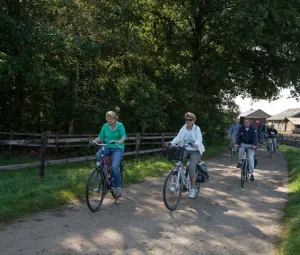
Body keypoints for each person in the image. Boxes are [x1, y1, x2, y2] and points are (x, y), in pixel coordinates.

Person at [92, 111, 127, 198]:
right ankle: (102, 175)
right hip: (107, 146)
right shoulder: (105, 126)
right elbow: (101, 137)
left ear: (115, 119)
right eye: (107, 119)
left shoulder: (120, 125)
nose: (109, 120)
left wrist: (120, 141)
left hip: (118, 148)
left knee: (114, 166)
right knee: (98, 155)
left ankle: (118, 186)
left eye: (111, 119)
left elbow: (124, 136)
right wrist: (94, 141)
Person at [171, 112, 205, 198]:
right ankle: (177, 184)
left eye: (190, 120)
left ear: (193, 120)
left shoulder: (196, 128)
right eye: (186, 120)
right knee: (177, 164)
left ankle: (192, 189)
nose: (188, 121)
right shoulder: (183, 128)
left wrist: (196, 143)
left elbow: (199, 138)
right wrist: (171, 143)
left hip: (195, 150)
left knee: (191, 168)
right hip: (185, 148)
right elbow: (178, 137)